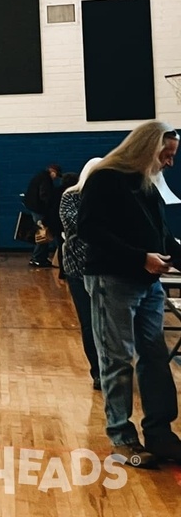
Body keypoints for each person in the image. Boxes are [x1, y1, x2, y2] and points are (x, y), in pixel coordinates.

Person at [78, 121, 181, 468]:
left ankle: (160, 433)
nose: (169, 163)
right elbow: (88, 230)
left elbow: (163, 237)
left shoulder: (147, 184)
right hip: (113, 281)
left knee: (154, 357)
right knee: (117, 360)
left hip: (148, 284)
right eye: (165, 156)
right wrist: (139, 258)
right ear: (147, 148)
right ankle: (121, 438)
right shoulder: (105, 178)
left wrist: (166, 258)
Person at [57, 165, 100, 391]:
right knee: (89, 322)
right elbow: (79, 227)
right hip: (78, 270)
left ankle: (114, 368)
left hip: (108, 271)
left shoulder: (112, 198)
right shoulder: (70, 197)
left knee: (110, 325)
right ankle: (98, 372)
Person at [23, 163, 61, 267]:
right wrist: (49, 209)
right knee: (43, 234)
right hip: (39, 210)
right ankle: (37, 258)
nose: (55, 178)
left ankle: (41, 258)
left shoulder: (40, 176)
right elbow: (44, 196)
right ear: (53, 172)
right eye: (56, 175)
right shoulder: (46, 179)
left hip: (34, 208)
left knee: (42, 234)